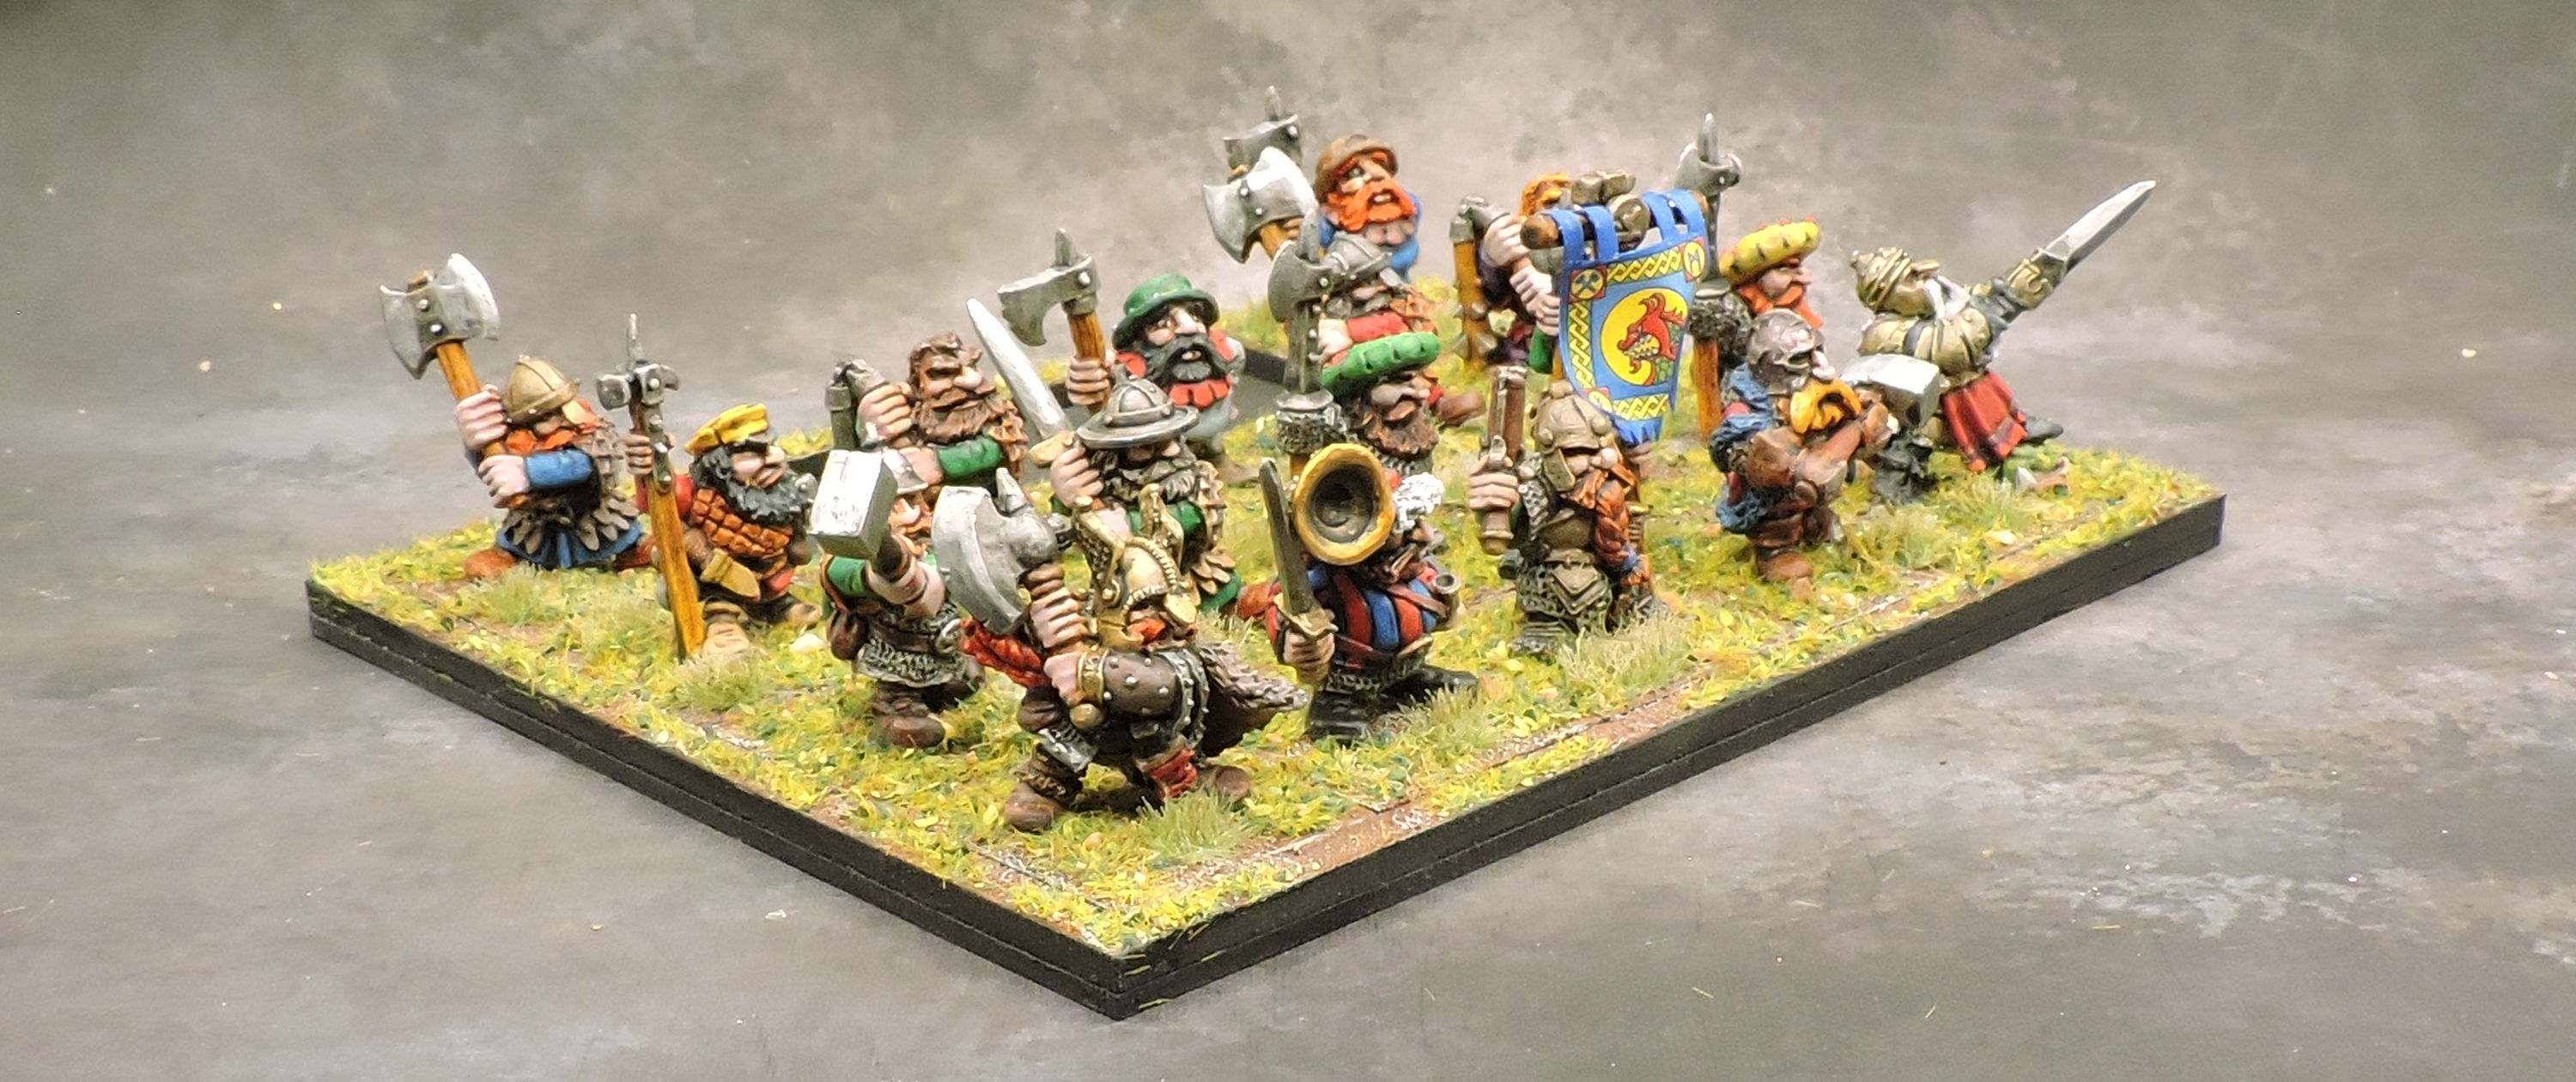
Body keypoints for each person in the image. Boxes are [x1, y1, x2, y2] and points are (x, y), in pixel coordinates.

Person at [1707, 311, 1893, 583]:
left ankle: (1815, 524)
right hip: (1771, 497)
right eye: (1802, 358)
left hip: (1815, 487)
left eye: (1818, 351)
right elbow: (1733, 450)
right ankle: (1775, 549)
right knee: (1778, 515)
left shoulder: (1819, 393)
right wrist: (1759, 457)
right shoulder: (1748, 411)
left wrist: (1861, 423)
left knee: (1817, 509)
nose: (1819, 364)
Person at [451, 356, 649, 581]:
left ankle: (636, 553)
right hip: (538, 526)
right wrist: (478, 445)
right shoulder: (519, 440)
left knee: (632, 544)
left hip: (593, 519)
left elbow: (585, 464)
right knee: (490, 562)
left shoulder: (593, 434)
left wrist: (528, 471)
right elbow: (494, 467)